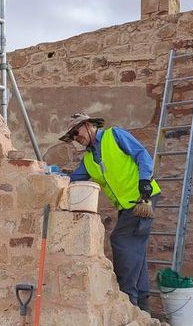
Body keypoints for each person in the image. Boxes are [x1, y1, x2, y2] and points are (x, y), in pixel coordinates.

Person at [59, 113, 160, 312]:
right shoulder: (88, 159)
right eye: (72, 136)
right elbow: (74, 178)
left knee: (121, 241)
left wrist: (145, 179)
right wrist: (52, 174)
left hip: (142, 198)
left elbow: (141, 154)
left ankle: (128, 297)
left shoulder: (114, 135)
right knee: (136, 247)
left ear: (88, 125)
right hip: (125, 206)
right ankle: (141, 302)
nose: (76, 138)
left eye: (76, 132)